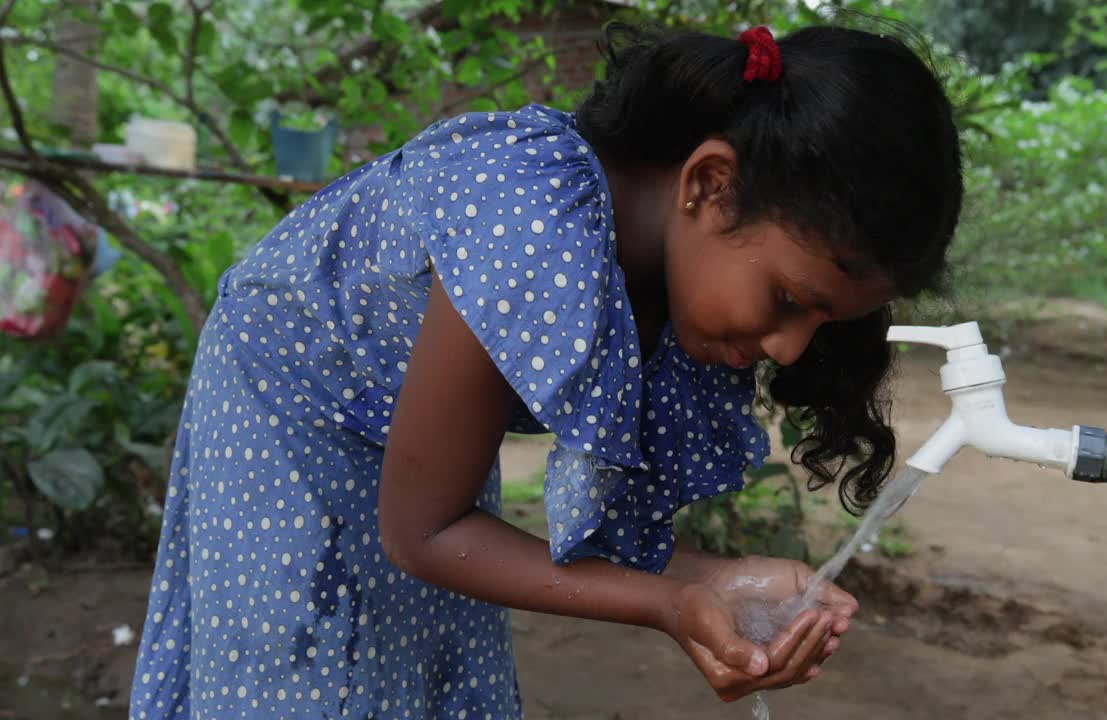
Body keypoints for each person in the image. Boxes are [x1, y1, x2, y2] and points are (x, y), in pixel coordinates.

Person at [129, 19, 962, 719]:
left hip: (396, 446)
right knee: (310, 668)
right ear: (709, 184)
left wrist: (717, 579)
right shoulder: (530, 219)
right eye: (788, 298)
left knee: (427, 664)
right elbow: (425, 531)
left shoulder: (678, 290)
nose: (789, 348)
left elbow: (549, 532)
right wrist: (670, 604)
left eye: (822, 322)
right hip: (284, 407)